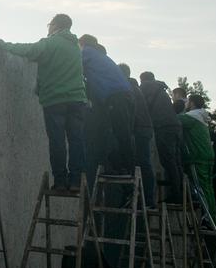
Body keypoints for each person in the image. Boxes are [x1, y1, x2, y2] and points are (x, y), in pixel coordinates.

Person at [0, 14, 88, 195]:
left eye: (49, 25)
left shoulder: (52, 42)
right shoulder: (75, 47)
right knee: (76, 140)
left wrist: (3, 45)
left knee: (57, 142)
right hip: (77, 100)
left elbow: (30, 50)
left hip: (56, 100)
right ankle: (76, 181)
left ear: (55, 25)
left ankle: (61, 181)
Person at [78, 35, 136, 176]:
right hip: (122, 96)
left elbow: (71, 64)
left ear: (83, 43)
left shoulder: (87, 52)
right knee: (120, 133)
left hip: (116, 97)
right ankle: (123, 168)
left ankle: (123, 168)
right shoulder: (100, 56)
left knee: (116, 134)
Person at [140, 71, 183, 203]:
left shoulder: (145, 87)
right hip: (175, 126)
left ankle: (176, 196)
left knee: (168, 161)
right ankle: (181, 193)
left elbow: (141, 107)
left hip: (163, 127)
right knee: (175, 161)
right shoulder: (161, 89)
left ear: (143, 80)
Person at [119, 63, 155, 205]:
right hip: (143, 129)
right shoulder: (134, 87)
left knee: (141, 163)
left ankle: (144, 198)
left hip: (138, 130)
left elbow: (131, 113)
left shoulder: (127, 88)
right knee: (141, 163)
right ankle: (143, 197)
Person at [180, 94, 215, 215]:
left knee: (201, 188)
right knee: (208, 188)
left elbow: (172, 119)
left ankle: (208, 217)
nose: (186, 103)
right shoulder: (201, 117)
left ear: (192, 103)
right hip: (207, 156)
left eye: (187, 101)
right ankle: (213, 217)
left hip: (197, 156)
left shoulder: (191, 117)